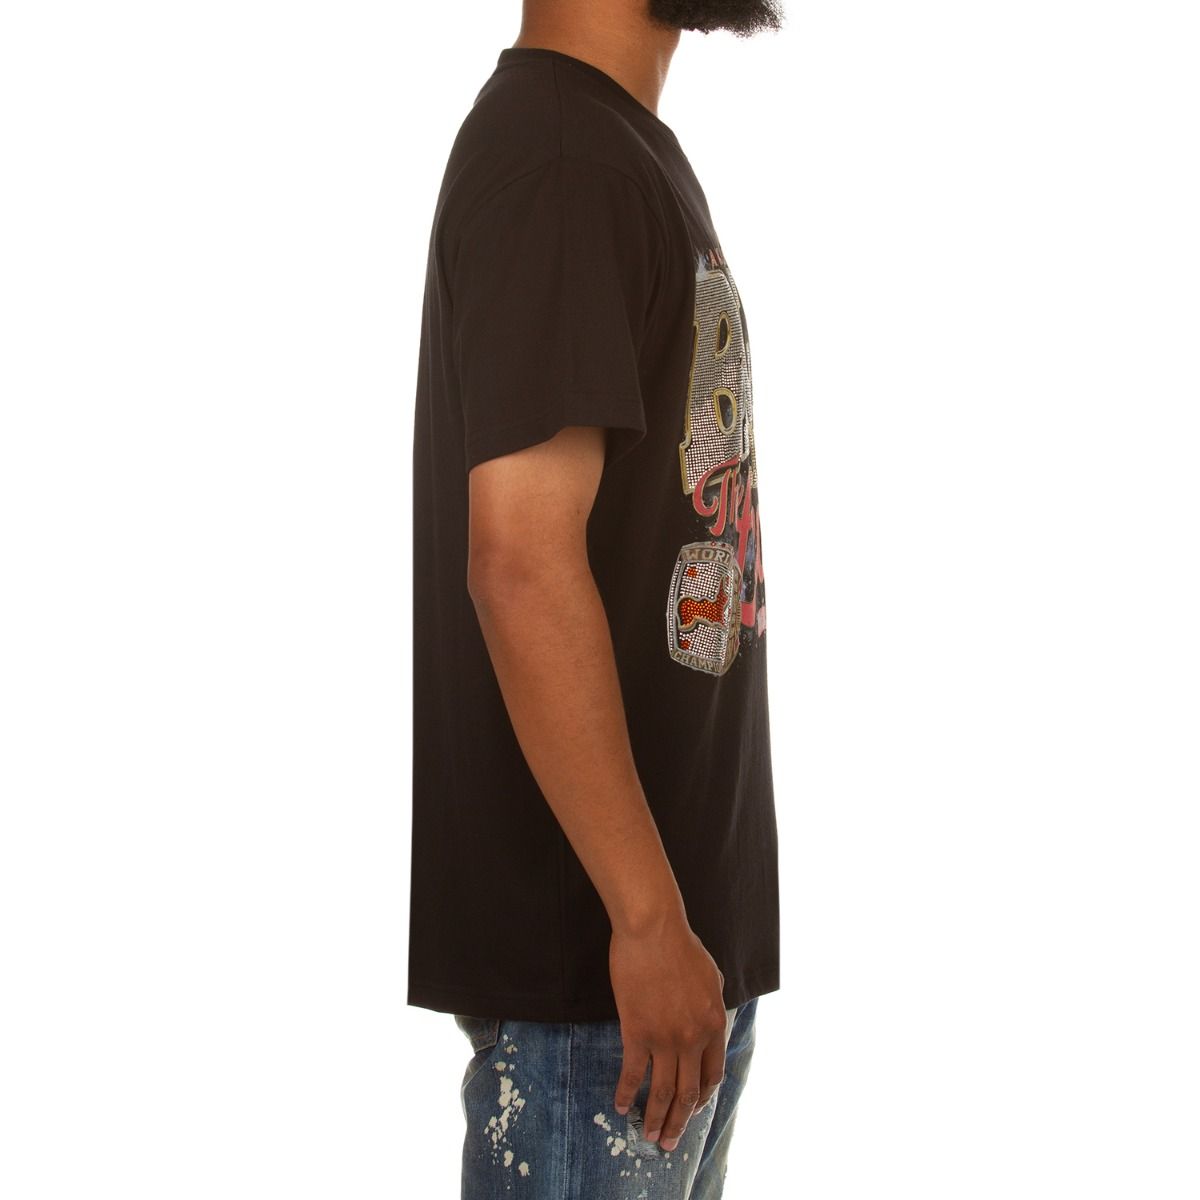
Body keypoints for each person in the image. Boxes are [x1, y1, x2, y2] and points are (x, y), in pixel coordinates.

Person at [409, 2, 784, 1195]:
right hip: (601, 994)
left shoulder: (608, 147)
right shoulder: (561, 158)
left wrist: (675, 929)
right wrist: (645, 919)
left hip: (659, 979)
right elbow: (519, 562)